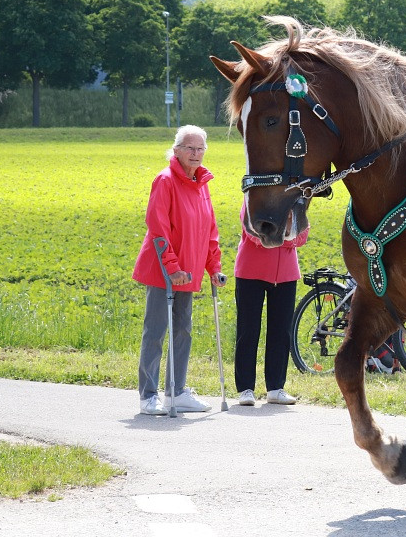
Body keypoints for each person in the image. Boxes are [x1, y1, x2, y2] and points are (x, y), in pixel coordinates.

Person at [132, 125, 227, 415]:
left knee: (183, 330)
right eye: (189, 148)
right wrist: (171, 268)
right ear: (176, 150)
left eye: (200, 148)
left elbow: (209, 230)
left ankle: (176, 391)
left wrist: (214, 267)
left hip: (189, 271)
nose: (196, 153)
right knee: (156, 330)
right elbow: (158, 228)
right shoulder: (165, 181)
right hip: (163, 269)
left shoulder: (202, 184)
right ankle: (149, 395)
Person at [233, 204, 308, 406]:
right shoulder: (254, 200)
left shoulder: (296, 203)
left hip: (286, 274)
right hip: (250, 271)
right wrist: (287, 236)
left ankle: (275, 388)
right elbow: (254, 236)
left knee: (281, 332)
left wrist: (279, 237)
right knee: (248, 331)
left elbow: (302, 237)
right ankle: (245, 388)